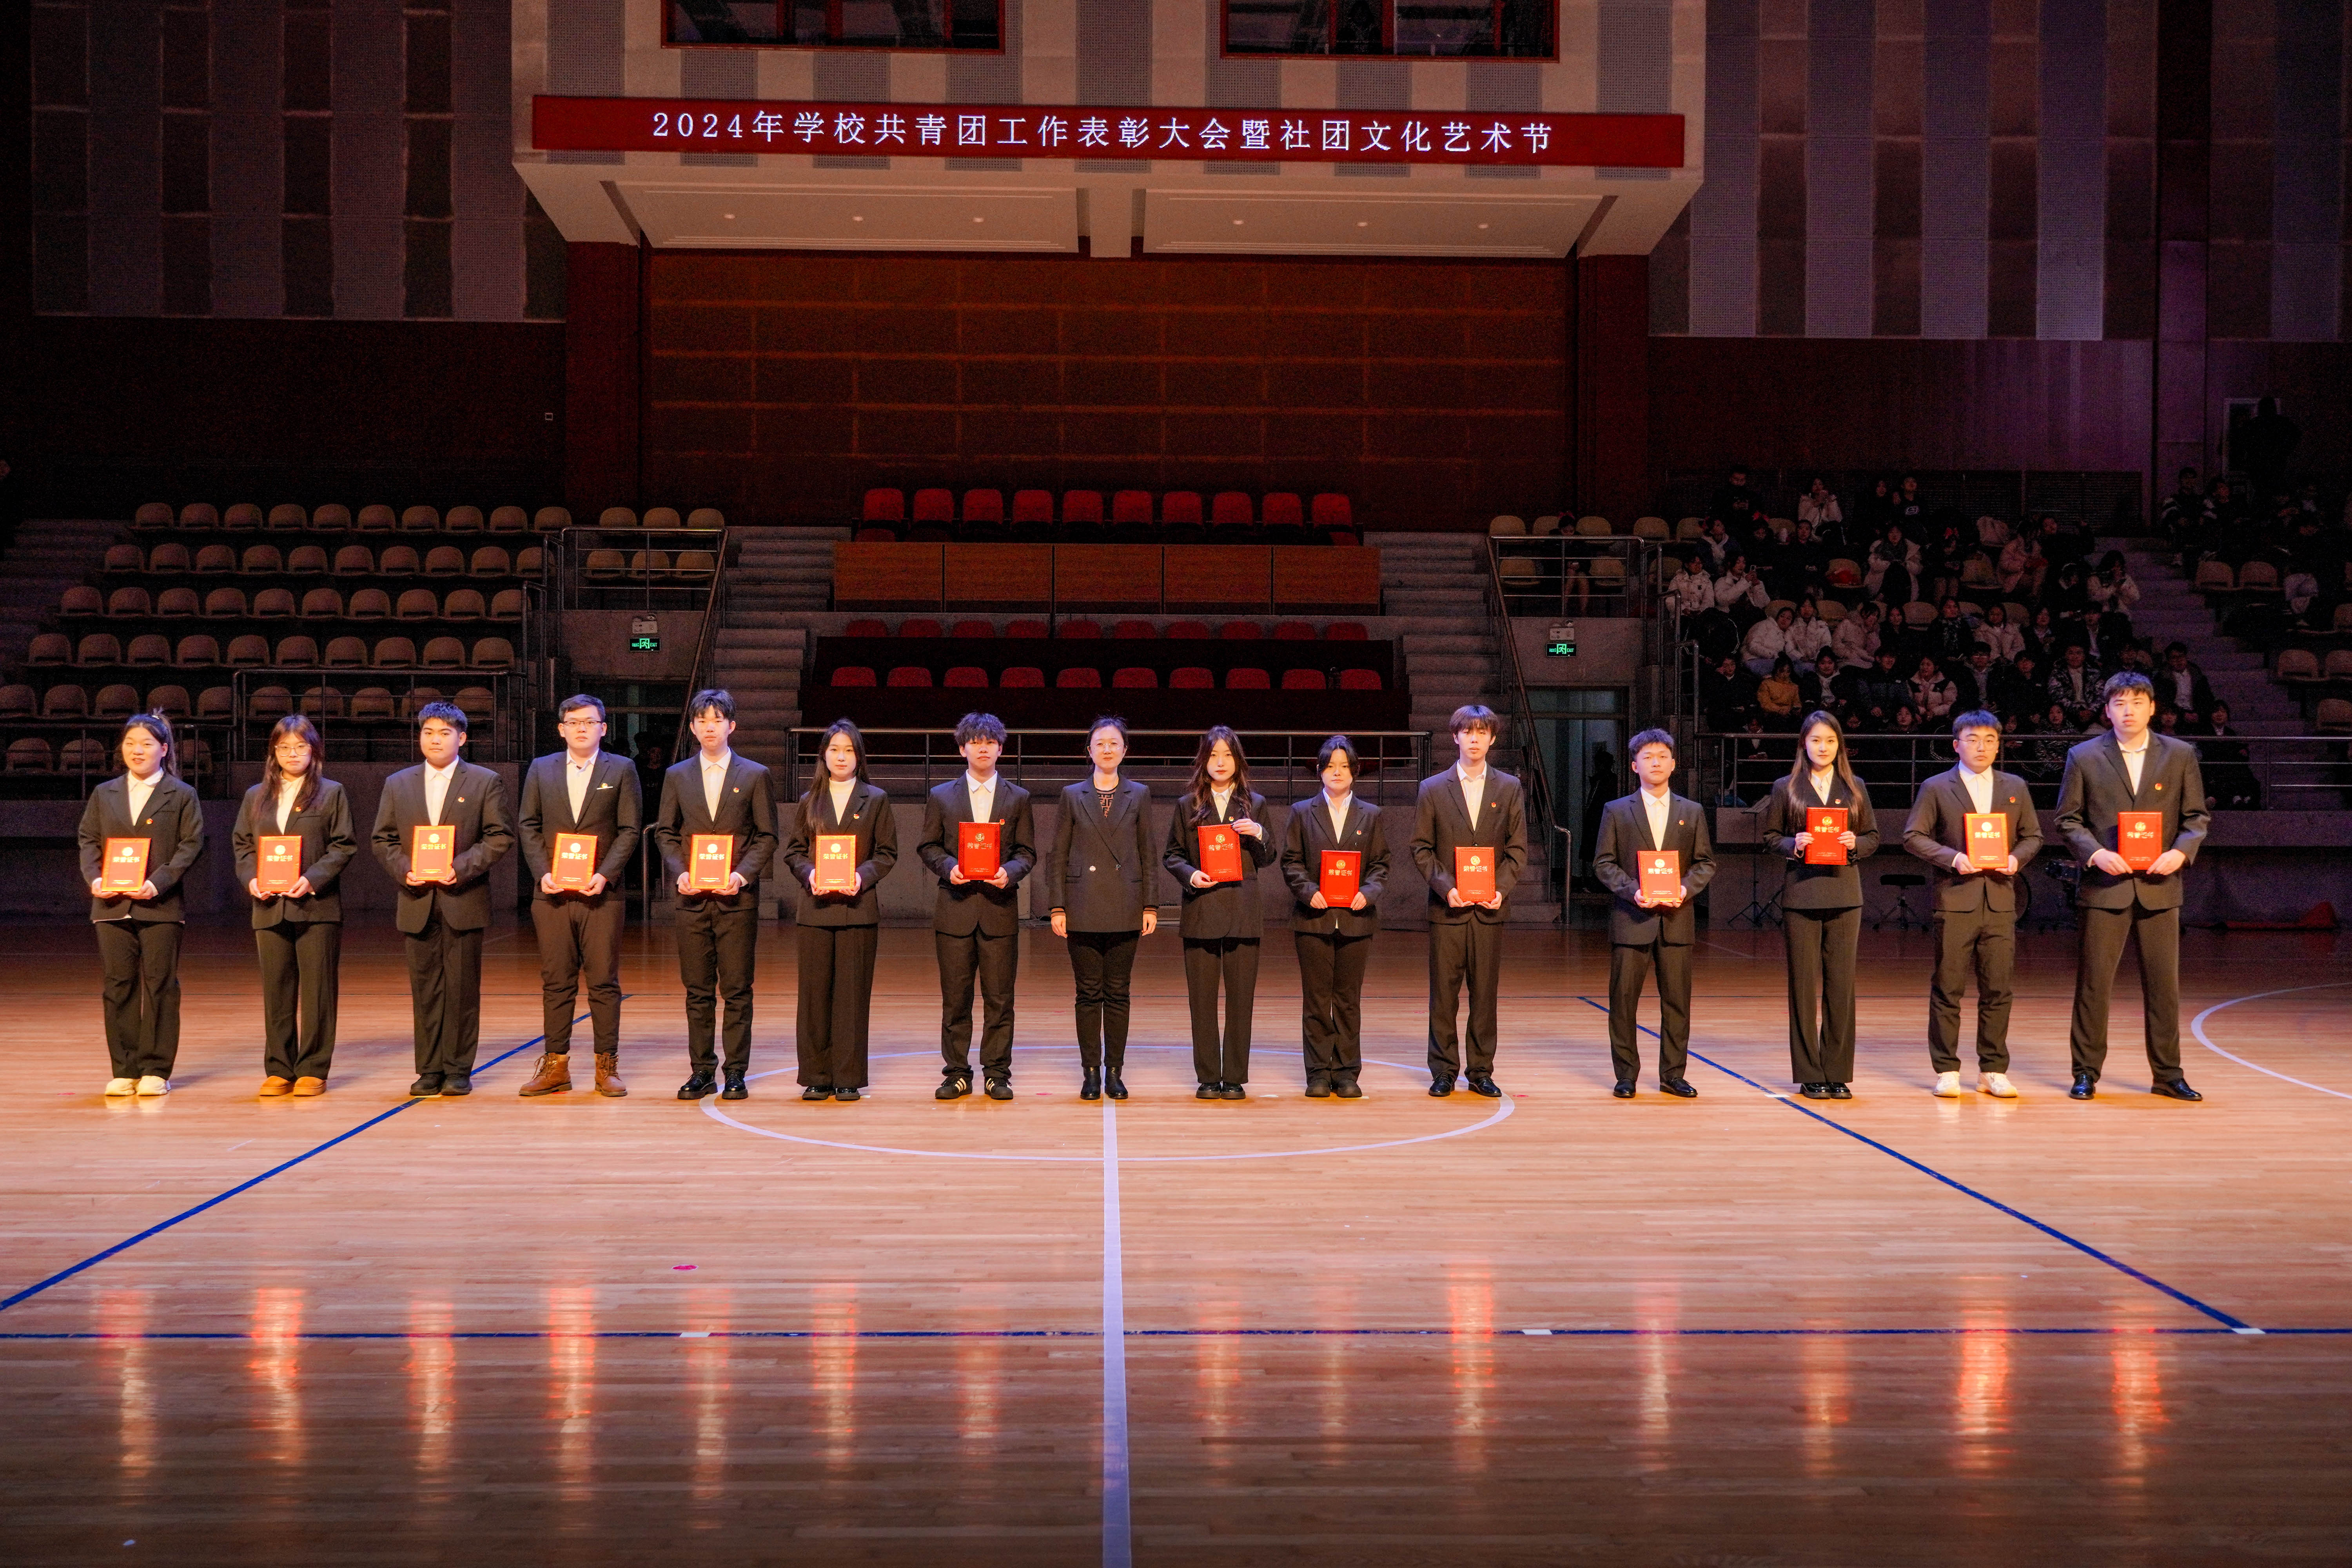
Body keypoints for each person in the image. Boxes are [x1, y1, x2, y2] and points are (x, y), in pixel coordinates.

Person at [2053, 672, 2211, 1102]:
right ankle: (2085, 1072)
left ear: (2152, 708)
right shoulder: (2084, 755)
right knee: (2094, 985)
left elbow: (2196, 818)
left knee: (2164, 987)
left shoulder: (2180, 754)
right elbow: (2067, 819)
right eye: (2120, 703)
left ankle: (2168, 1075)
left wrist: (2180, 853)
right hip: (2105, 885)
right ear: (2107, 710)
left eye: (2137, 703)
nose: (2129, 711)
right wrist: (2095, 854)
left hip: (2161, 885)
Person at [369, 700, 516, 1097]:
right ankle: (429, 1069)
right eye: (428, 732)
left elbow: (500, 836)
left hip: (462, 897)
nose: (435, 740)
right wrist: (405, 870)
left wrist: (461, 868)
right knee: (425, 990)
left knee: (463, 990)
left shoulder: (485, 781)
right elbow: (383, 839)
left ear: (462, 739)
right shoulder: (398, 783)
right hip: (416, 899)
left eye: (445, 733)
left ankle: (458, 1068)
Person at [1902, 711, 2042, 1098]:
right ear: (1956, 745)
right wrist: (1953, 858)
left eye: (1990, 740)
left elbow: (2033, 836)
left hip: (2000, 900)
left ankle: (1993, 1069)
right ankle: (1947, 1069)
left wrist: (2016, 859)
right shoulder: (1936, 787)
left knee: (1998, 989)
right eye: (1973, 739)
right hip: (1955, 898)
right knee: (1948, 988)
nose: (1982, 747)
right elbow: (1913, 836)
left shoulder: (2015, 786)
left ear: (1999, 745)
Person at [651, 690, 779, 1102]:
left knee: (738, 989)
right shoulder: (677, 775)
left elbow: (767, 836)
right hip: (691, 899)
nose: (710, 727)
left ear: (732, 726)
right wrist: (681, 871)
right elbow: (666, 832)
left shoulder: (755, 774)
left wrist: (742, 875)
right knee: (698, 990)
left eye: (718, 719)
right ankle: (702, 1070)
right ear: (693, 727)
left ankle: (736, 1071)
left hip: (737, 899)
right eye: (703, 720)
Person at [515, 694, 643, 1098]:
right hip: (552, 893)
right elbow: (528, 824)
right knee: (557, 982)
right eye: (574, 722)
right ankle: (555, 1066)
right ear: (561, 729)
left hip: (602, 894)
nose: (582, 729)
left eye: (590, 722)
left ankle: (607, 1067)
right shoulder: (541, 768)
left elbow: (630, 829)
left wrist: (606, 875)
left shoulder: (621, 769)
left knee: (604, 982)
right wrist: (543, 873)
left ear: (603, 728)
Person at [78, 713, 205, 1097]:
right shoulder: (104, 793)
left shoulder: (181, 794)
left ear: (164, 749)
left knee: (160, 985)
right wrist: (95, 878)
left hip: (160, 905)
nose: (138, 750)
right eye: (131, 743)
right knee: (118, 985)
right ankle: (125, 1069)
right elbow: (88, 839)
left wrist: (157, 883)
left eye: (147, 744)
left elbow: (191, 845)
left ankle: (155, 1069)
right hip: (111, 905)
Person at [231, 715, 356, 1096]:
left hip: (317, 906)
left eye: (301, 747)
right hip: (269, 906)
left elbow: (343, 845)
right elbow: (242, 845)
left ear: (314, 751)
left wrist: (313, 879)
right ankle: (279, 1068)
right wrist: (251, 878)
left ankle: (314, 1068)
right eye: (284, 747)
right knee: (277, 990)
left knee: (318, 991)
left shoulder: (331, 792)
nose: (292, 754)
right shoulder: (256, 796)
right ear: (274, 752)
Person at [1759, 713, 1879, 1099]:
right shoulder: (1786, 787)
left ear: (1839, 745)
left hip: (1845, 896)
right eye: (1815, 740)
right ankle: (1810, 1072)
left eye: (1830, 740)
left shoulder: (1855, 786)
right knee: (1802, 987)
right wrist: (1793, 844)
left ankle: (1837, 1071)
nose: (1823, 747)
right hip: (1801, 895)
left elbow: (1873, 836)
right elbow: (1770, 837)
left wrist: (1855, 844)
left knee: (1841, 987)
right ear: (1804, 744)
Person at [1410, 705, 1528, 1098]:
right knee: (1443, 996)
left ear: (1493, 739)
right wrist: (1447, 887)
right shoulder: (1432, 788)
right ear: (1455, 737)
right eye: (1468, 731)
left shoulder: (1509, 787)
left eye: (1482, 732)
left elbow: (1517, 849)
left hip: (1490, 910)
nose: (1474, 738)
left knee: (1485, 995)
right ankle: (1444, 1070)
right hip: (1448, 909)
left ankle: (1481, 1071)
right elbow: (1421, 847)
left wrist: (1501, 889)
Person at [916, 712, 1035, 1102]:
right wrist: (949, 867)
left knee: (1000, 1000)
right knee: (956, 1000)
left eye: (990, 742)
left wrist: (1010, 872)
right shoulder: (941, 796)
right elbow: (928, 846)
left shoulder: (1018, 798)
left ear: (1001, 749)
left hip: (999, 911)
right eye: (975, 742)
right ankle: (956, 1073)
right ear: (962, 748)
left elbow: (1027, 852)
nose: (982, 748)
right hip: (955, 910)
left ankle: (997, 1074)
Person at [1592, 730, 1717, 1097]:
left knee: (1677, 1003)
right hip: (1631, 919)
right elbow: (1603, 863)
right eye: (1648, 757)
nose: (1656, 763)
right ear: (1635, 766)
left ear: (1674, 764)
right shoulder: (1616, 810)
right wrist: (1633, 891)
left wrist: (1684, 889)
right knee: (1623, 1002)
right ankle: (1626, 1075)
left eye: (1662, 756)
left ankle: (1673, 1075)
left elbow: (1706, 863)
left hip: (1677, 921)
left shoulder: (1692, 811)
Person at [783, 719, 898, 1103]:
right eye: (835, 749)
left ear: (859, 756)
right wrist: (810, 874)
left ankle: (848, 1076)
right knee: (814, 997)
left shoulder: (875, 799)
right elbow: (794, 852)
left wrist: (862, 877)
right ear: (824, 756)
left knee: (852, 996)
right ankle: (816, 1076)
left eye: (849, 750)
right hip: (815, 909)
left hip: (858, 909)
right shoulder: (808, 800)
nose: (842, 757)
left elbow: (887, 853)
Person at [1045, 716, 1159, 1102]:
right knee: (1088, 992)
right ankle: (1091, 1072)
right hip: (1081, 904)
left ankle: (1115, 1072)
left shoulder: (1139, 794)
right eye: (1100, 743)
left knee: (1119, 992)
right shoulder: (1071, 794)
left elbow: (1148, 852)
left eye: (1114, 743)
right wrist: (1057, 906)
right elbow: (1058, 853)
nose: (1107, 749)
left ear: (1125, 750)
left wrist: (1150, 904)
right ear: (1089, 750)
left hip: (1126, 903)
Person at [1165, 726, 1278, 1100]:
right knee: (1202, 1002)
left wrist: (1259, 833)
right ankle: (1209, 1077)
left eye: (1228, 755)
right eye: (1213, 755)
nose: (1220, 762)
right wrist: (1191, 875)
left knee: (1241, 1001)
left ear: (1238, 761)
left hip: (1244, 913)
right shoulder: (1188, 805)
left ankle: (1235, 1078)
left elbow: (1268, 858)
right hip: (1202, 910)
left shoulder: (1255, 804)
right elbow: (1172, 855)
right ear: (1203, 761)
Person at [1281, 736, 1388, 1098]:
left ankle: (1346, 1073)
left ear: (1354, 771)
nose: (1337, 772)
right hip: (1313, 920)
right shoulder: (1302, 812)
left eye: (1344, 766)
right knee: (1316, 1000)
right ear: (1320, 771)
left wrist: (1368, 892)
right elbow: (1291, 861)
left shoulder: (1371, 815)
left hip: (1357, 920)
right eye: (1330, 766)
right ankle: (1317, 1073)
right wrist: (1308, 891)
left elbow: (1381, 865)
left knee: (1347, 1000)